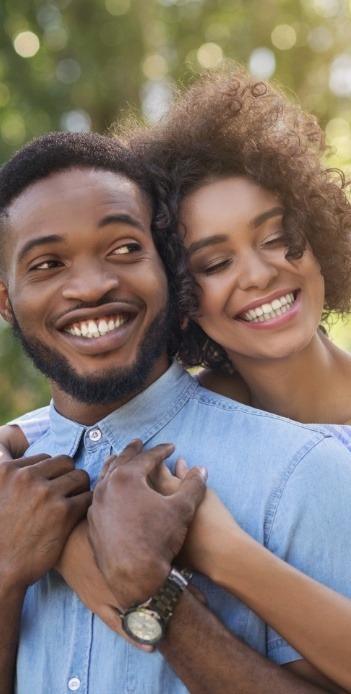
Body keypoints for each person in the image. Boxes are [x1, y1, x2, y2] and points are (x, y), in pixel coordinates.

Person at [4, 67, 351, 691]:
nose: (260, 274)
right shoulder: (25, 463)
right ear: (186, 291)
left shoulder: (302, 472)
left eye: (279, 235)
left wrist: (187, 573)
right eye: (215, 262)